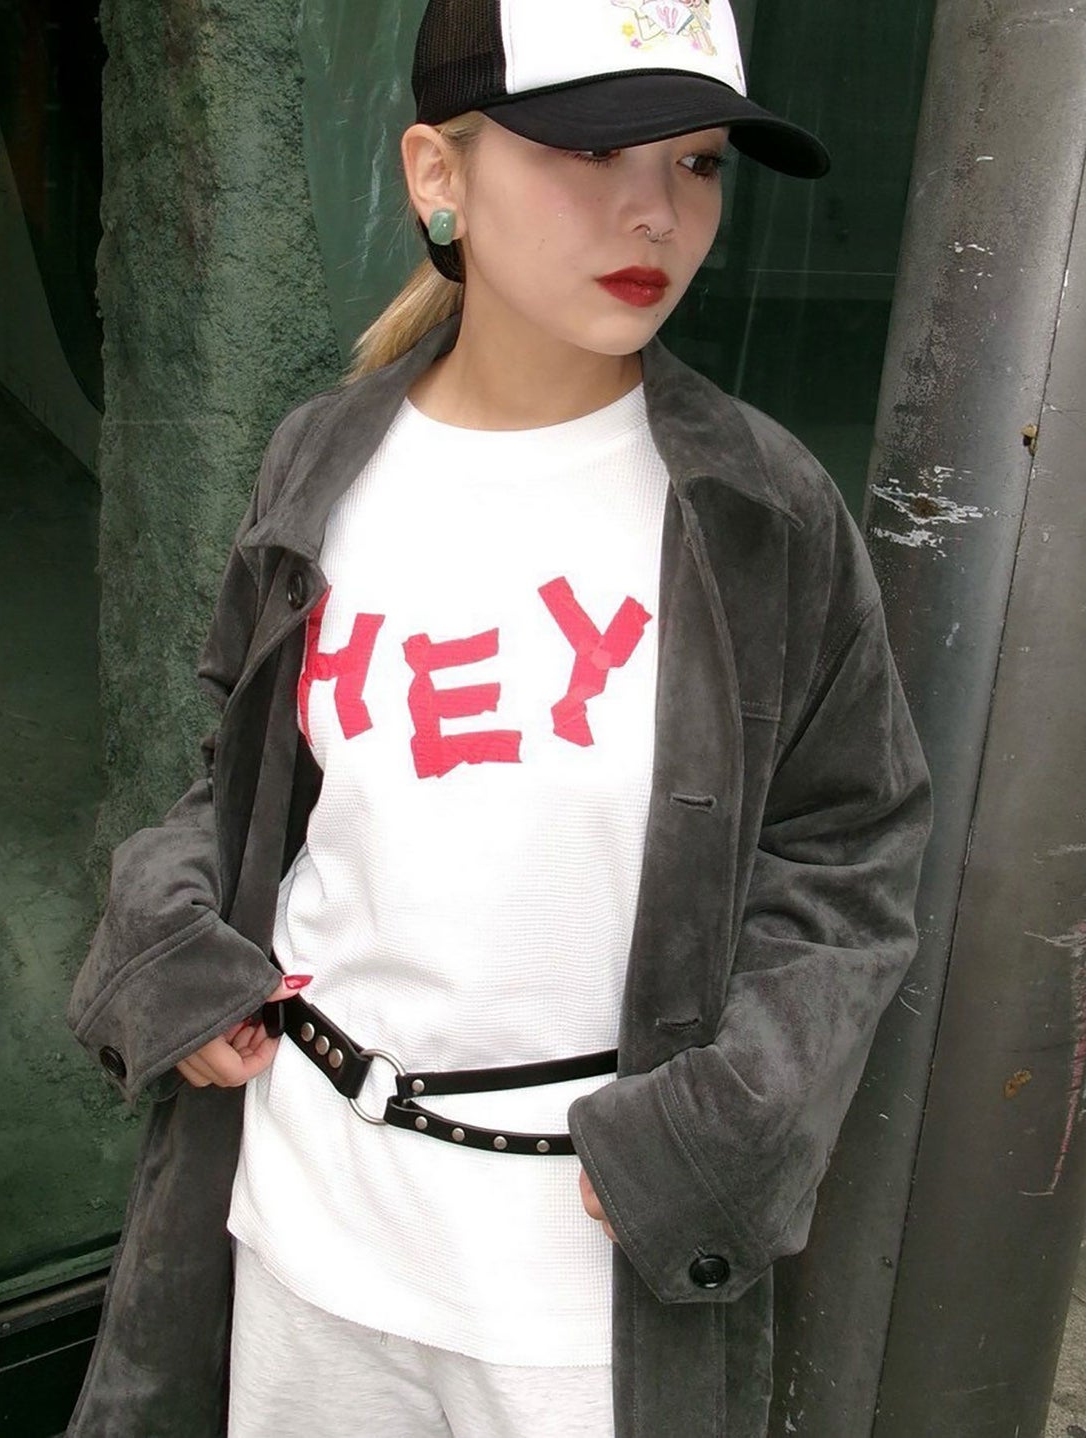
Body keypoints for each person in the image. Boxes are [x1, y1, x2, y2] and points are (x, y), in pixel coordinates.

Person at [67, 2, 932, 1436]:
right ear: (437, 174)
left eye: (698, 162)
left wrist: (719, 1134)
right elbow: (240, 772)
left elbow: (847, 853)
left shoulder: (760, 513)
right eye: (593, 151)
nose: (657, 212)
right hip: (305, 1228)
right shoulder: (323, 462)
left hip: (579, 1291)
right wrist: (174, 950)